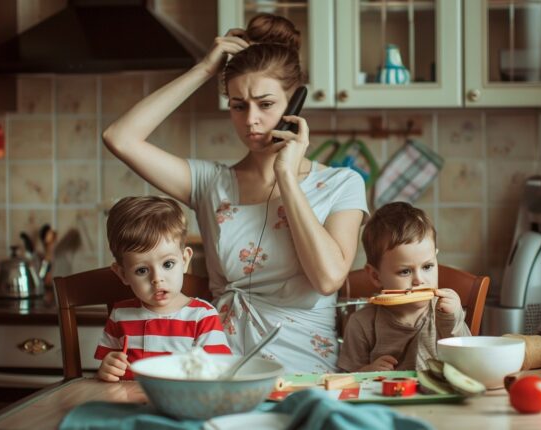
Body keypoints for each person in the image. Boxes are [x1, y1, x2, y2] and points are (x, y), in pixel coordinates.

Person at [102, 14, 367, 373]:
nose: (251, 120)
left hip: (302, 368)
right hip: (216, 363)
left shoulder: (342, 183)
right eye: (239, 105)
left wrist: (286, 177)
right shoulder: (211, 182)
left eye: (266, 104)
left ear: (295, 103)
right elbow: (119, 138)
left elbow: (328, 278)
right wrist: (204, 70)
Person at [95, 196, 231, 382]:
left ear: (184, 260)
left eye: (167, 264)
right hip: (130, 405)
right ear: (123, 274)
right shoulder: (120, 315)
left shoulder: (202, 316)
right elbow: (106, 371)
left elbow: (219, 372)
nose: (157, 279)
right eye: (142, 270)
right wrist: (107, 369)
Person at [337, 202, 470, 373]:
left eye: (427, 266)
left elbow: (468, 361)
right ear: (375, 276)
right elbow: (347, 379)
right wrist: (367, 372)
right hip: (384, 398)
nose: (419, 280)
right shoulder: (361, 323)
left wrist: (452, 319)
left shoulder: (446, 310)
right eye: (405, 271)